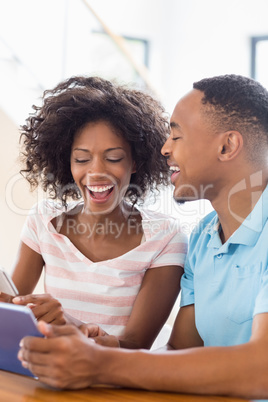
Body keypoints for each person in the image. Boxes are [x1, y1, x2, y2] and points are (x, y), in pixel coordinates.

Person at [18, 74, 268, 400]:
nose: (165, 149)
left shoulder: (170, 238)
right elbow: (178, 350)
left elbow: (261, 370)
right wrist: (106, 347)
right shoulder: (204, 239)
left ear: (226, 146)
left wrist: (103, 363)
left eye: (177, 136)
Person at [3, 76, 188, 349]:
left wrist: (70, 326)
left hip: (113, 384)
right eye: (82, 159)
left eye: (113, 158)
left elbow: (136, 345)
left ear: (135, 162)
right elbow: (11, 310)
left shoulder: (165, 237)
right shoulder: (44, 221)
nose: (96, 171)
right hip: (48, 372)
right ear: (68, 163)